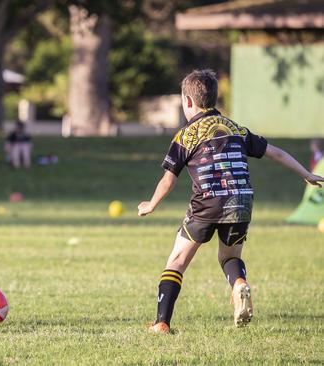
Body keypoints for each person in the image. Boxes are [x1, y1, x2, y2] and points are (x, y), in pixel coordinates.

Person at [138, 69, 324, 334]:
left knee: (177, 260)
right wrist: (306, 173)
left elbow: (168, 180)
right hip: (241, 201)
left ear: (188, 102)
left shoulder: (186, 135)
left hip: (208, 202)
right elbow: (277, 153)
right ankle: (239, 284)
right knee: (229, 256)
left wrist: (151, 204)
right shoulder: (235, 128)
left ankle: (162, 323)